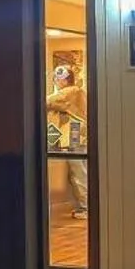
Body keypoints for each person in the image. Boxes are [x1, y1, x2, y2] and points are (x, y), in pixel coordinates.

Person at [46, 63, 89, 216]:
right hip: (76, 133)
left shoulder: (72, 91)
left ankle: (85, 207)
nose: (56, 82)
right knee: (79, 171)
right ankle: (84, 205)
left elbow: (49, 101)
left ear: (65, 80)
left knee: (78, 172)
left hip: (74, 134)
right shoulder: (76, 92)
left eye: (58, 79)